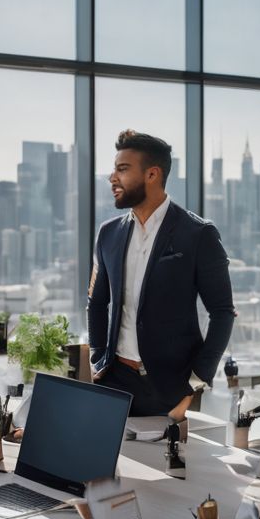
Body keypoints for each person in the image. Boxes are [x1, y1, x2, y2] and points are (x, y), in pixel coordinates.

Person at [88, 129, 235, 420]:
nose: (112, 178)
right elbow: (96, 302)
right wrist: (98, 359)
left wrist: (194, 384)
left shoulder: (198, 234)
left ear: (152, 174)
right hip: (114, 382)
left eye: (123, 169)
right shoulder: (108, 234)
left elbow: (223, 312)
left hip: (172, 391)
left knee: (166, 467)